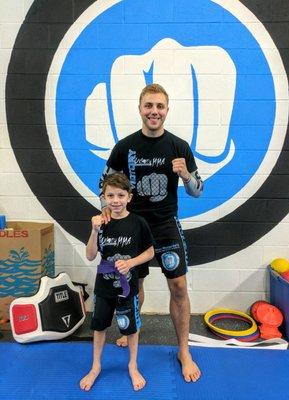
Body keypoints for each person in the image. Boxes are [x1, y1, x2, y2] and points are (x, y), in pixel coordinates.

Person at [99, 83, 203, 382]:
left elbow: (197, 191)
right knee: (135, 284)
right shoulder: (125, 146)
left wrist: (185, 175)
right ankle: (132, 333)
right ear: (140, 108)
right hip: (133, 228)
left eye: (159, 106)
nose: (154, 112)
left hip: (165, 225)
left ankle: (184, 350)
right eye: (149, 106)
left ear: (167, 110)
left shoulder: (179, 146)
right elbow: (103, 184)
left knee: (179, 288)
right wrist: (106, 210)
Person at [80, 173, 154, 392]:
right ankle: (95, 366)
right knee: (99, 325)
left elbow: (150, 252)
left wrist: (131, 262)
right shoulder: (101, 222)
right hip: (104, 284)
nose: (115, 200)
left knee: (130, 327)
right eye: (110, 195)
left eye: (120, 195)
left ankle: (133, 365)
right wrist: (94, 231)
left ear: (129, 197)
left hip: (127, 286)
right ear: (103, 197)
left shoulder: (138, 222)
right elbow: (91, 256)